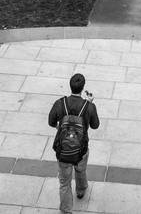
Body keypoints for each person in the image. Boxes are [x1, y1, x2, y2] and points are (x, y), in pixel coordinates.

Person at [48, 74, 99, 214]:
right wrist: (91, 103)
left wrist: (60, 128)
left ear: (70, 86)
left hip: (63, 150)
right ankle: (81, 190)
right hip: (81, 149)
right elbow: (95, 125)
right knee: (81, 169)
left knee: (64, 183)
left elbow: (51, 122)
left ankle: (65, 211)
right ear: (83, 88)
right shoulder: (88, 107)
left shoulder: (60, 104)